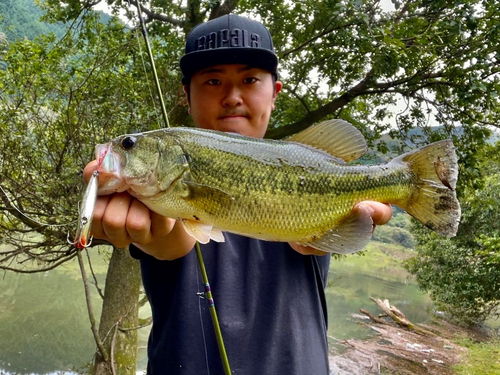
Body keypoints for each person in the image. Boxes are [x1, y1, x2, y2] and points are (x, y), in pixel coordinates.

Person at [84, 14, 392, 374]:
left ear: (274, 93)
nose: (232, 97)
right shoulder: (152, 198)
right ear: (186, 95)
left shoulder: (311, 162)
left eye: (249, 80)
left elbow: (338, 231)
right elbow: (169, 240)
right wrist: (154, 235)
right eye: (213, 81)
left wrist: (349, 222)